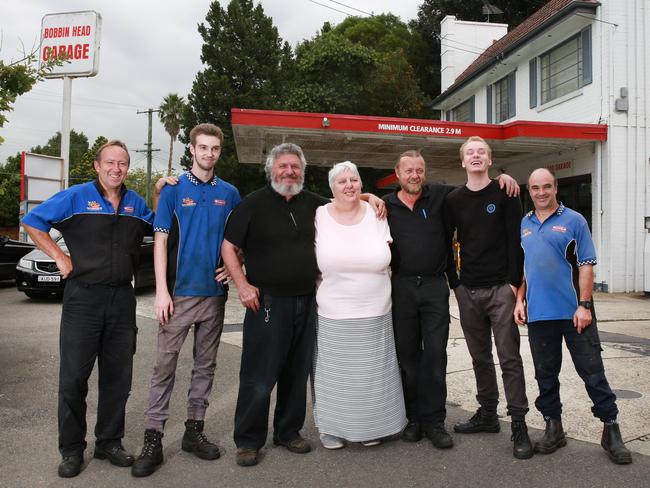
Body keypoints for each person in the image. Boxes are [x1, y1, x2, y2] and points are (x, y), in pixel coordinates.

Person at [221, 142, 385, 467]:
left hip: (307, 301)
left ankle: (287, 431)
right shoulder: (251, 205)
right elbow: (229, 247)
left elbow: (345, 200)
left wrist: (369, 196)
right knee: (259, 374)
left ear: (303, 171)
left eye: (295, 166)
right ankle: (249, 440)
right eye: (283, 166)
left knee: (297, 372)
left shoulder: (314, 204)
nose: (289, 171)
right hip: (266, 302)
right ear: (271, 170)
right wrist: (242, 286)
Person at [21, 140, 154, 478]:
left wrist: (159, 191)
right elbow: (33, 221)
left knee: (118, 378)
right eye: (110, 162)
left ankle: (109, 441)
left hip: (123, 301)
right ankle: (72, 449)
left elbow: (161, 230)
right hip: (84, 300)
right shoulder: (76, 197)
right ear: (97, 165)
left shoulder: (136, 204)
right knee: (74, 378)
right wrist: (59, 255)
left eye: (122, 163)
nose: (116, 168)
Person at [384, 149, 518, 449]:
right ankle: (413, 418)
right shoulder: (387, 204)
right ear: (398, 174)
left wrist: (502, 178)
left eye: (419, 170)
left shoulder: (441, 195)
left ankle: (434, 421)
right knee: (407, 357)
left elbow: (477, 183)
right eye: (409, 171)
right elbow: (347, 202)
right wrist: (370, 197)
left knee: (435, 356)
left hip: (434, 287)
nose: (415, 175)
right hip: (402, 287)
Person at [131, 124, 240, 477]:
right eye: (203, 147)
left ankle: (194, 431)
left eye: (215, 149)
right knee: (164, 368)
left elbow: (239, 239)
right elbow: (160, 241)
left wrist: (236, 265)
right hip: (178, 294)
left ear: (219, 152)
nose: (209, 153)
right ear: (192, 149)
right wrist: (161, 290)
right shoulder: (174, 191)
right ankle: (154, 439)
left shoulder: (230, 193)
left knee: (205, 367)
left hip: (214, 296)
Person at [514, 168, 632, 465]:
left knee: (592, 373)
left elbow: (586, 265)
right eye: (535, 188)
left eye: (546, 187)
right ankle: (554, 427)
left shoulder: (574, 220)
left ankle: (611, 429)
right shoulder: (524, 224)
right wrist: (520, 300)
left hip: (574, 314)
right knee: (545, 376)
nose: (541, 193)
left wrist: (585, 305)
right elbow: (525, 269)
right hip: (539, 315)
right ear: (530, 191)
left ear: (555, 188)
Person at [444, 136, 533, 460]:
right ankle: (487, 414)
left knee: (509, 358)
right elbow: (444, 240)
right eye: (471, 152)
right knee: (480, 357)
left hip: (500, 290)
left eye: (482, 151)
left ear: (490, 160)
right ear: (463, 162)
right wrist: (455, 283)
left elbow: (516, 240)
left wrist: (513, 283)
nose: (476, 156)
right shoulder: (453, 199)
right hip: (468, 291)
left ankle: (519, 424)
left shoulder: (507, 193)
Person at [313, 161, 406, 450]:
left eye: (354, 180)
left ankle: (371, 426)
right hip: (333, 312)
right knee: (335, 377)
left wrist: (369, 199)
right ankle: (331, 428)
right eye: (342, 181)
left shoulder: (377, 214)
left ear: (361, 185)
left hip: (376, 310)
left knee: (372, 376)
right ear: (332, 188)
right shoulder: (318, 215)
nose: (349, 185)